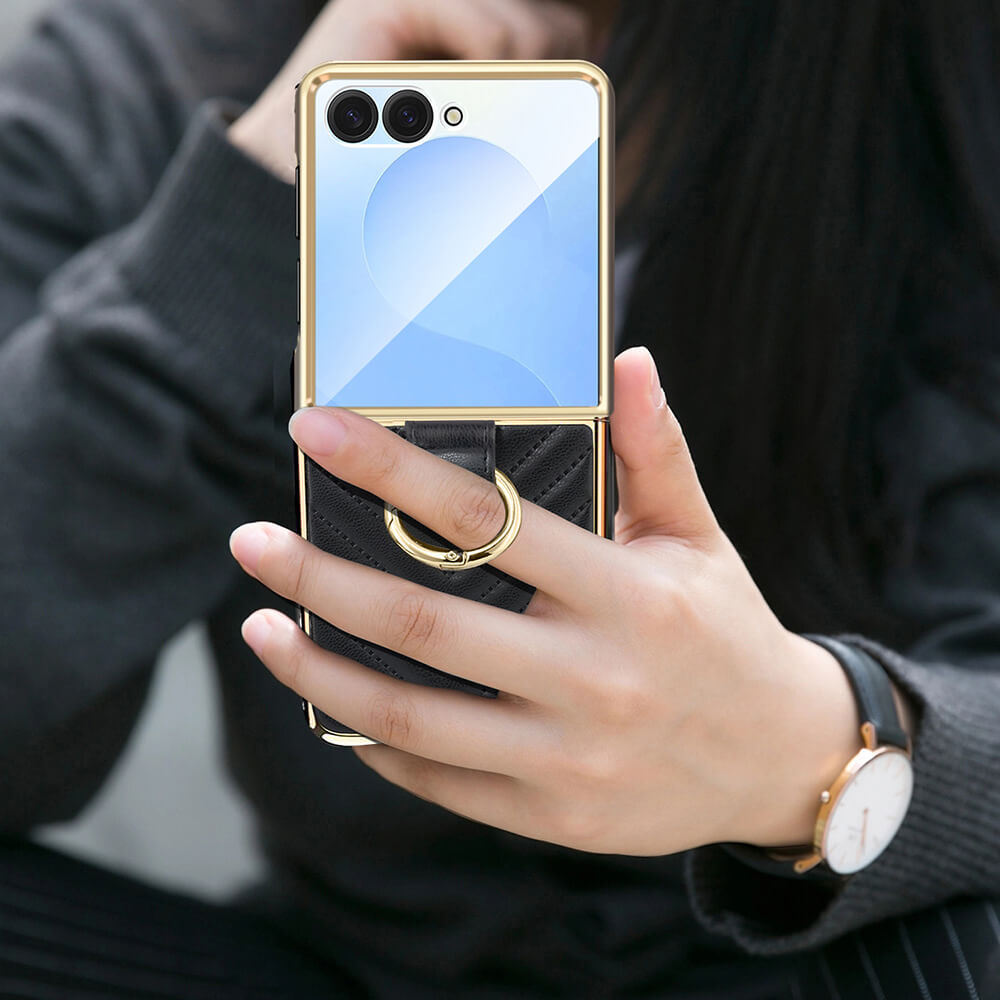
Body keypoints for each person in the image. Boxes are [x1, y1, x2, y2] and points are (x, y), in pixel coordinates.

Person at [0, 0, 997, 996]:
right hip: (348, 966)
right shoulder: (148, 65)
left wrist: (815, 752)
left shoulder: (937, 96)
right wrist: (243, 214)